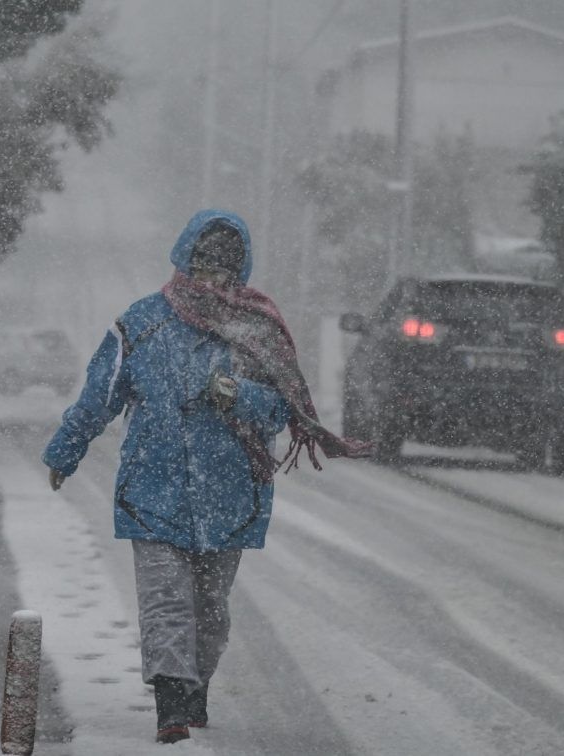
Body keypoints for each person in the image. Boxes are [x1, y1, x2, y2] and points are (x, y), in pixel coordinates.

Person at [42, 209, 371, 744]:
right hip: (152, 491)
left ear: (240, 269)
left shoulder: (258, 331)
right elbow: (100, 395)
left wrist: (239, 395)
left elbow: (281, 411)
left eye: (224, 266)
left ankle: (194, 689)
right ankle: (171, 703)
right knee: (165, 601)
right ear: (184, 259)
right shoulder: (141, 324)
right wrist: (66, 448)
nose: (212, 276)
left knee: (210, 611)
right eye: (203, 263)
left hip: (230, 496)